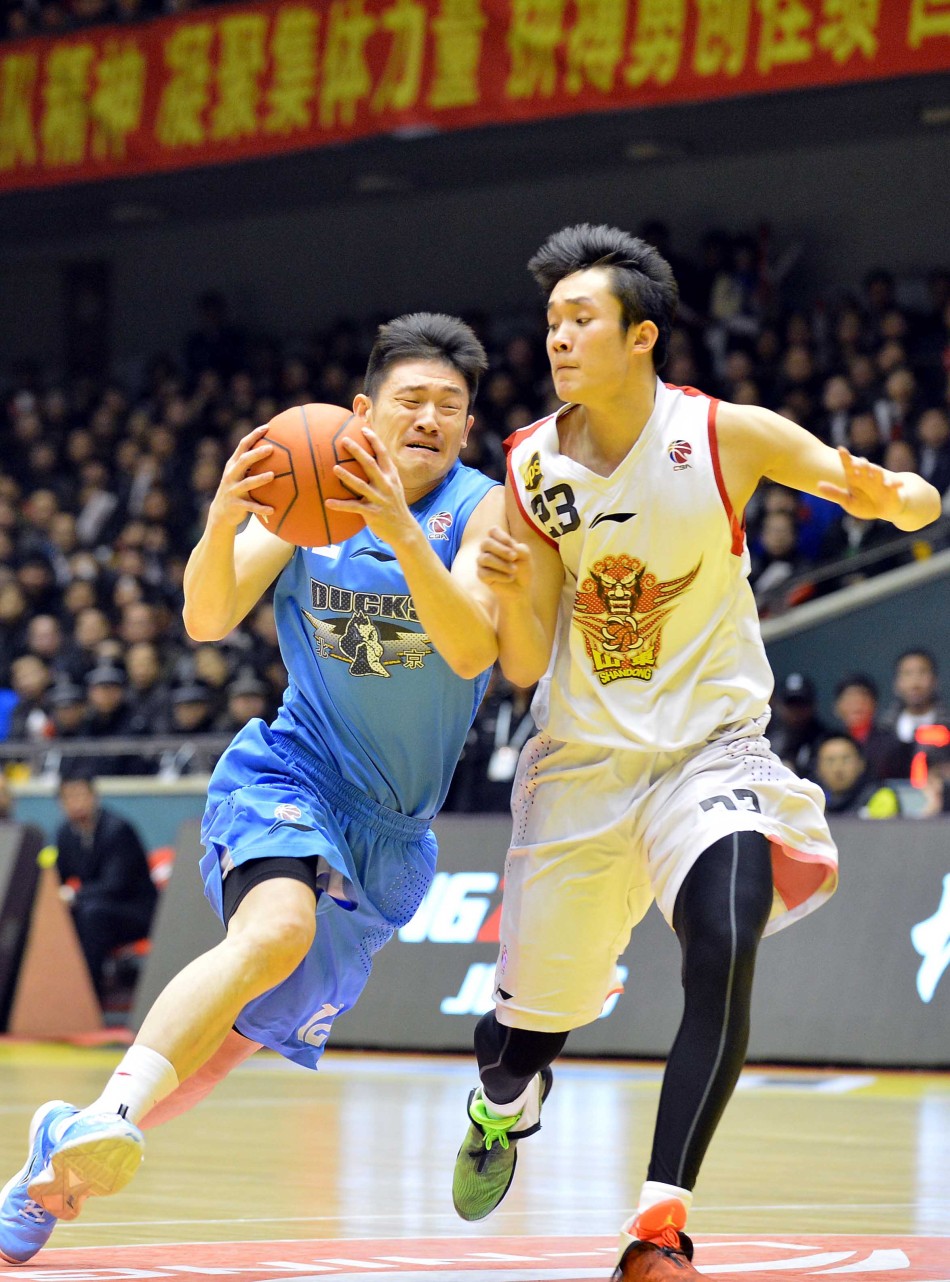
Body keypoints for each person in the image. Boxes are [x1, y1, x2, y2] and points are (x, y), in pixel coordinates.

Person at [449, 224, 941, 1282]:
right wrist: (502, 579)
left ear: (642, 336)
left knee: (722, 939)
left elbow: (848, 480)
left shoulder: (723, 433)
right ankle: (505, 1101)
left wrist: (903, 495)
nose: (558, 338)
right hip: (580, 766)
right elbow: (525, 662)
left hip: (710, 754)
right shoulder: (528, 467)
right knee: (521, 1037)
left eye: (579, 319)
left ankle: (658, 1224)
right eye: (549, 323)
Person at [0, 312, 505, 1265]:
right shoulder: (309, 504)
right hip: (294, 770)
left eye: (451, 406)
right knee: (276, 929)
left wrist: (400, 532)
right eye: (412, 402)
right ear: (364, 411)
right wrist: (228, 517)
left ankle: (55, 1160)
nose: (430, 419)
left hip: (391, 830)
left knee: (228, 1048)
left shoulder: (479, 512)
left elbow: (473, 644)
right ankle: (107, 1111)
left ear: (468, 428)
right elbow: (205, 615)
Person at [52, 771, 158, 997]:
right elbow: (58, 878)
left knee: (91, 914)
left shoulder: (117, 830)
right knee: (60, 916)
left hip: (137, 911)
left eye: (80, 795)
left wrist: (71, 896)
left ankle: (90, 997)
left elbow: (116, 885)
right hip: (96, 908)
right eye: (68, 797)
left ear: (94, 797)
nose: (75, 803)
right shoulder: (64, 834)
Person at [812, 733, 900, 817]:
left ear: (861, 764)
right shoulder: (811, 802)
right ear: (818, 768)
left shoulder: (881, 798)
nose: (837, 768)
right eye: (830, 761)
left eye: (846, 759)